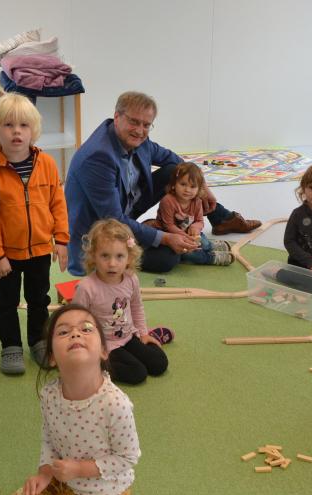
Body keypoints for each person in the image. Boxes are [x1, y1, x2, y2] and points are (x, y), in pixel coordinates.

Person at [0, 304, 160, 495]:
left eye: (86, 329)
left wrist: (79, 469)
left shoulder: (115, 404)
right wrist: (44, 474)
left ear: (104, 350)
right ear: (51, 356)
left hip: (105, 493)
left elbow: (128, 457)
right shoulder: (49, 394)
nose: (75, 334)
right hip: (62, 483)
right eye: (63, 332)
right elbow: (48, 438)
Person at [65, 91, 261, 275]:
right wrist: (165, 237)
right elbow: (114, 219)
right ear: (117, 117)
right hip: (101, 230)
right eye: (134, 122)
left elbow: (175, 160)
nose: (140, 131)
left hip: (124, 210)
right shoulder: (98, 157)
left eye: (146, 125)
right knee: (165, 259)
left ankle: (222, 219)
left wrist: (203, 189)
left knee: (174, 172)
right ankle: (189, 248)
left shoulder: (140, 141)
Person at [0, 93, 69, 375]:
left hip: (41, 250)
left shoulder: (48, 164)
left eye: (23, 125)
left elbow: (58, 203)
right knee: (6, 303)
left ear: (33, 130)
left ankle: (38, 341)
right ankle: (11, 347)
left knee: (38, 299)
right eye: (8, 125)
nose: (16, 131)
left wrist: (62, 240)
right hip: (7, 255)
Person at [73, 219, 168, 385]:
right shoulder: (86, 287)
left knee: (159, 363)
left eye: (119, 256)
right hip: (104, 344)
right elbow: (77, 320)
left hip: (128, 335)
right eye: (104, 256)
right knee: (138, 373)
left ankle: (153, 335)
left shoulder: (131, 279)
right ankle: (94, 365)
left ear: (129, 258)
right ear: (93, 256)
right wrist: (93, 348)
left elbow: (137, 307)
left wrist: (144, 334)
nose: (112, 264)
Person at [154, 162, 233, 266]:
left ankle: (210, 246)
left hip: (191, 235)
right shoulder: (167, 201)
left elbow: (199, 221)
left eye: (193, 186)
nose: (187, 190)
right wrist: (185, 236)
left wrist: (196, 227)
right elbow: (168, 225)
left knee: (203, 244)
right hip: (171, 236)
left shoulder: (197, 201)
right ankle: (211, 258)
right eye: (183, 184)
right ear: (174, 184)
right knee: (190, 255)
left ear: (199, 188)